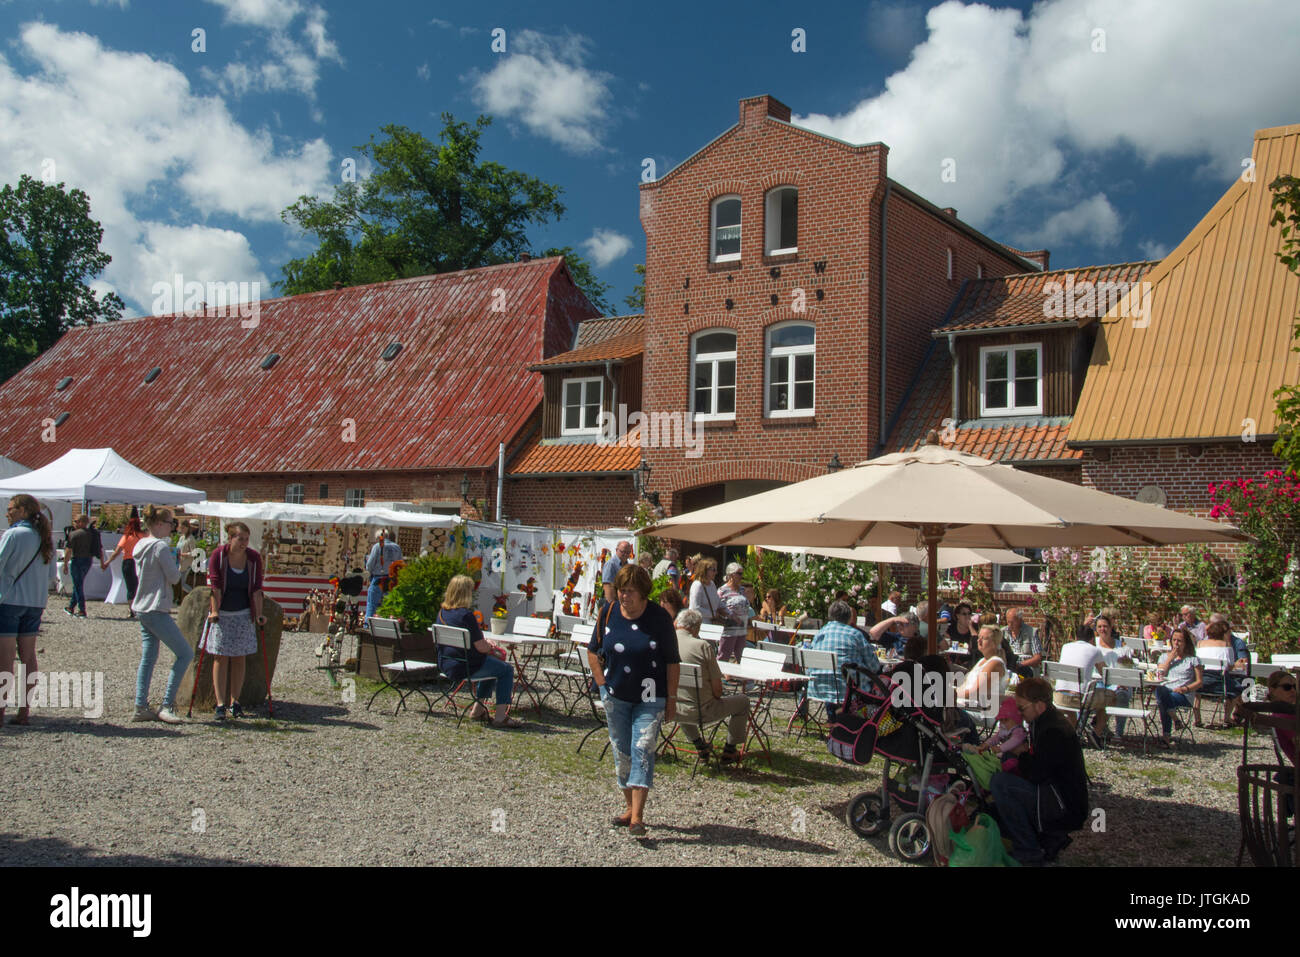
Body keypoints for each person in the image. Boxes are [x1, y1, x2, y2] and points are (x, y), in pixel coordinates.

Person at [587, 564, 680, 837]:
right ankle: (629, 806)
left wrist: (672, 699)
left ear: (643, 594)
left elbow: (673, 661)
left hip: (650, 696)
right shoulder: (609, 612)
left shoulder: (659, 618)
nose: (624, 596)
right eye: (621, 590)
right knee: (621, 749)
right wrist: (601, 683)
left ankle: (638, 817)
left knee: (643, 747)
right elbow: (593, 650)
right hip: (616, 693)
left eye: (630, 592)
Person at [989, 677, 1089, 865]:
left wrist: (1020, 754)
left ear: (1039, 706)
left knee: (1000, 784)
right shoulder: (1046, 721)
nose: (1019, 714)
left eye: (1022, 708)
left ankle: (1029, 851)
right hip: (1057, 794)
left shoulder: (1053, 731)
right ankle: (1044, 840)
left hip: (1062, 803)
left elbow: (1036, 773)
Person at [435, 574, 522, 728]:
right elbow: (480, 647)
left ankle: (478, 709)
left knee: (493, 666)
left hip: (446, 663)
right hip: (466, 667)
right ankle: (500, 716)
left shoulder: (442, 613)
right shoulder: (466, 616)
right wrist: (491, 647)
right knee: (506, 669)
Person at [131, 506, 192, 724]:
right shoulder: (160, 548)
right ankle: (167, 704)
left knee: (148, 657)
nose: (172, 527)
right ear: (158, 524)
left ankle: (141, 705)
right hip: (156, 606)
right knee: (185, 654)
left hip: (142, 606)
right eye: (169, 523)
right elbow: (175, 578)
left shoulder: (140, 545)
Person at [204, 521, 266, 722]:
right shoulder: (219, 556)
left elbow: (257, 588)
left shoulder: (253, 558)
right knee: (220, 657)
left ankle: (235, 701)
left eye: (246, 539)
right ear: (230, 538)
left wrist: (259, 614)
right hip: (223, 613)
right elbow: (215, 585)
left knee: (240, 657)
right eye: (240, 539)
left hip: (243, 613)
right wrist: (214, 611)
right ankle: (220, 703)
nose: (244, 543)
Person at [0, 494, 53, 727]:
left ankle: (0, 711)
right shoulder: (44, 538)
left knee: (5, 659)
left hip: (10, 601)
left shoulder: (13, 535)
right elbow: (51, 576)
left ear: (22, 510)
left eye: (10, 508)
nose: (7, 513)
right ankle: (24, 711)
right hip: (35, 603)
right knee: (29, 658)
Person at [673, 608, 749, 762]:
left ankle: (700, 745)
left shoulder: (666, 641)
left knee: (683, 696)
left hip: (674, 709)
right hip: (702, 711)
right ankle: (730, 749)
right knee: (743, 701)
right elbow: (717, 691)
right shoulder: (702, 646)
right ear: (696, 627)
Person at [807, 600, 881, 723]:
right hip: (848, 691)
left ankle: (834, 720)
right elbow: (874, 666)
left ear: (830, 615)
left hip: (819, 687)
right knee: (869, 680)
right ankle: (853, 721)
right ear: (849, 617)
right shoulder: (855, 634)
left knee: (834, 678)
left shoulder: (820, 634)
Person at [1153, 627, 1203, 749]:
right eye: (1174, 640)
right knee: (1161, 691)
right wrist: (1170, 659)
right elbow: (1159, 675)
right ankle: (1175, 719)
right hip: (1166, 690)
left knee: (1162, 701)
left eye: (1179, 641)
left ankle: (1166, 737)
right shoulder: (1164, 658)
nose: (1176, 643)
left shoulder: (1193, 660)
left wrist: (1185, 689)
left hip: (1183, 694)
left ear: (1185, 643)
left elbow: (1199, 682)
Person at [1054, 625, 1109, 732]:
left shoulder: (1065, 646)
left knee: (1070, 707)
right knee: (1111, 697)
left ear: (1076, 637)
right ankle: (1096, 733)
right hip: (1079, 700)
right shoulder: (1094, 650)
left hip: (1058, 698)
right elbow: (1106, 674)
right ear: (1092, 639)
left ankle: (1074, 733)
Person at [1195, 619, 1248, 727]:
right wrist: (1236, 664)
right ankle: (1227, 717)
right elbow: (1229, 666)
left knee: (1197, 691)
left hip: (1200, 682)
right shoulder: (1226, 645)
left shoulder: (1200, 644)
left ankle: (1197, 718)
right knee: (1237, 688)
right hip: (1219, 684)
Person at [1091, 612, 1131, 736]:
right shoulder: (1094, 644)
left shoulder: (1120, 645)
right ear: (1096, 629)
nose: (1103, 629)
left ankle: (1118, 733)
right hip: (1097, 680)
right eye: (1099, 627)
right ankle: (1100, 727)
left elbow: (1128, 666)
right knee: (1099, 693)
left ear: (1110, 627)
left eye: (1105, 626)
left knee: (1122, 694)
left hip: (1116, 682)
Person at [957, 625, 1008, 719]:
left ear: (993, 643)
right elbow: (966, 686)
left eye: (983, 638)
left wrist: (951, 693)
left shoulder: (995, 663)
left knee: (946, 714)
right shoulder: (983, 660)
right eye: (979, 637)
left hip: (983, 712)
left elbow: (975, 692)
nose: (978, 640)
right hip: (969, 705)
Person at [103, 507, 145, 620]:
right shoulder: (143, 536)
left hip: (128, 562)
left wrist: (107, 562)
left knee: (130, 587)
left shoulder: (126, 537)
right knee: (139, 586)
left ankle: (132, 610)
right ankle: (139, 608)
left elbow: (116, 552)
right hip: (140, 562)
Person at [62, 514, 100, 618]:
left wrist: (65, 563)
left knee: (78, 585)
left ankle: (82, 610)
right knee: (78, 584)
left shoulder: (74, 534)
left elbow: (68, 550)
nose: (74, 523)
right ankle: (71, 607)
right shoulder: (92, 534)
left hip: (77, 560)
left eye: (75, 521)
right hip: (88, 560)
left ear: (81, 522)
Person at [364, 529, 402, 626]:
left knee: (371, 604)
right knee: (388, 605)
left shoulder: (377, 546)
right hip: (391, 580)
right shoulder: (397, 547)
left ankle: (367, 625)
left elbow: (370, 565)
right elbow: (400, 565)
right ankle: (387, 626)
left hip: (378, 578)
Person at [716, 562, 752, 662]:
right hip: (729, 629)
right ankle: (720, 676)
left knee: (742, 656)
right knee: (724, 655)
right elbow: (718, 607)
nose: (741, 576)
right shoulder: (723, 590)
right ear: (731, 575)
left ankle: (743, 677)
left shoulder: (742, 590)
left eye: (742, 574)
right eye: (739, 574)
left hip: (742, 629)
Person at [1003, 607, 1042, 677]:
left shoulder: (1031, 632)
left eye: (1012, 622)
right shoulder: (1003, 632)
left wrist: (1020, 664)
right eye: (1008, 622)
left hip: (1027, 670)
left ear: (1020, 620)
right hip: (1008, 669)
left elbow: (1037, 658)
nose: (1010, 625)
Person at [688, 556, 723, 629]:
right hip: (699, 625)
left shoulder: (712, 584)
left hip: (711, 625)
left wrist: (729, 613)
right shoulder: (697, 585)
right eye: (713, 570)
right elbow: (695, 608)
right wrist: (713, 614)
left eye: (716, 570)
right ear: (705, 570)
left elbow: (718, 601)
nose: (716, 572)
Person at [600, 540, 633, 612]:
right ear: (616, 550)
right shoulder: (611, 564)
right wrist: (613, 607)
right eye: (623, 552)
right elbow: (608, 586)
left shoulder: (627, 565)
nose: (625, 554)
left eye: (627, 552)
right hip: (612, 604)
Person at [174, 519, 201, 605]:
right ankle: (184, 598)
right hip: (179, 563)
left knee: (182, 583)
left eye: (183, 528)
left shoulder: (191, 539)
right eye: (180, 528)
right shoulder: (181, 538)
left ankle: (195, 596)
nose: (181, 529)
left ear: (187, 528)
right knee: (179, 583)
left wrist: (183, 554)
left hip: (187, 564)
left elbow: (194, 552)